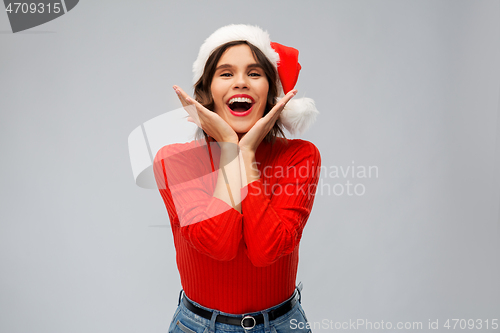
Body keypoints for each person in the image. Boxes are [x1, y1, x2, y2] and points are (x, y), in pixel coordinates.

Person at [153, 24, 321, 333]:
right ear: (206, 93)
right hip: (198, 326)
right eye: (226, 73)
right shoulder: (176, 160)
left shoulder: (299, 156)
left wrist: (244, 156)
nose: (241, 82)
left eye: (255, 74)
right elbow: (219, 245)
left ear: (272, 93)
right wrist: (231, 150)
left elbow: (266, 250)